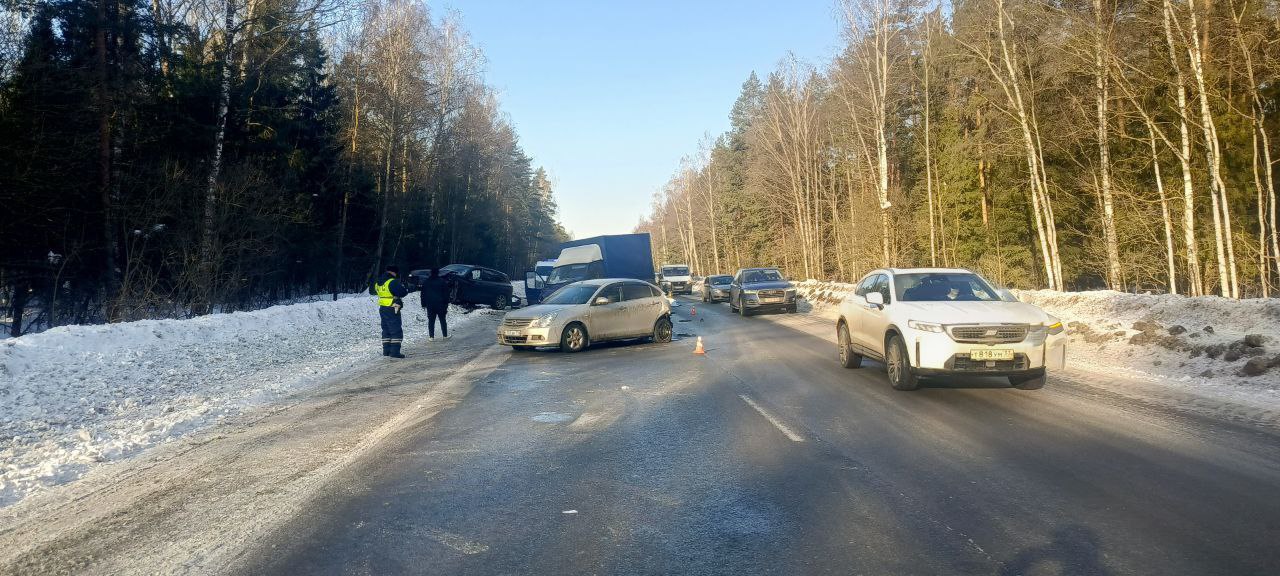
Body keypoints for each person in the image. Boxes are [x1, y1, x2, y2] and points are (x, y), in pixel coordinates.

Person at [370, 264, 409, 358]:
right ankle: (395, 352)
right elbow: (403, 292)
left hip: (382, 307)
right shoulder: (392, 282)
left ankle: (386, 351)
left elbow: (376, 291)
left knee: (386, 329)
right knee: (395, 329)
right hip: (392, 306)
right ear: (393, 272)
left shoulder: (378, 282)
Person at [419, 267, 452, 340]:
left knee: (431, 320)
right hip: (440, 304)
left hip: (430, 304)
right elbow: (446, 293)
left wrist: (423, 304)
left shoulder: (426, 282)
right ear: (438, 273)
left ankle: (431, 337)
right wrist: (446, 303)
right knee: (442, 319)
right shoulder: (442, 281)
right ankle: (445, 335)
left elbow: (423, 294)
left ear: (431, 273)